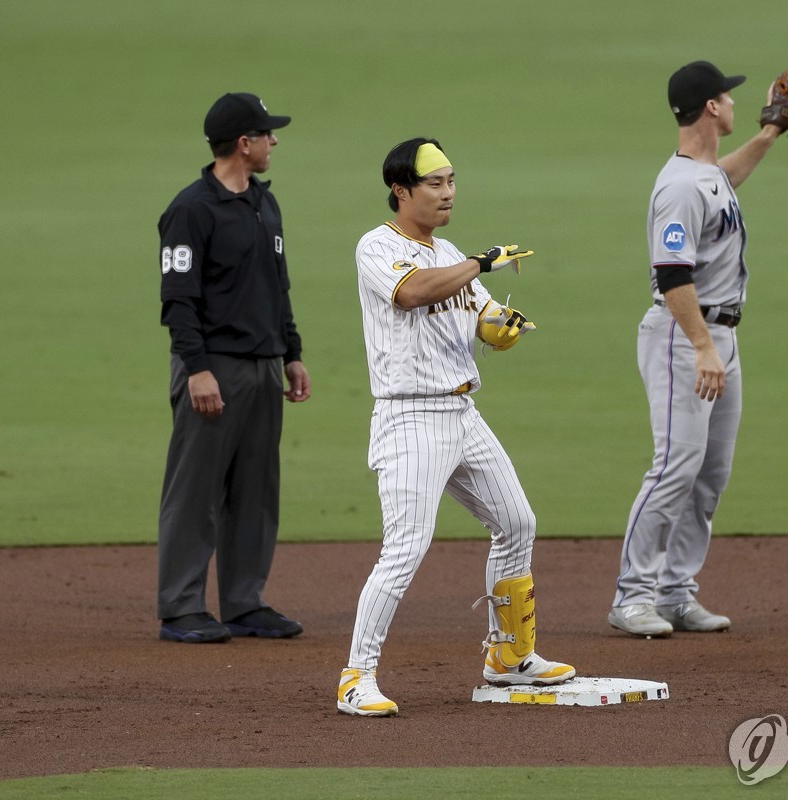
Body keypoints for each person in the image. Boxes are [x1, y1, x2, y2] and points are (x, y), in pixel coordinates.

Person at [337, 137, 575, 716]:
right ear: (401, 191)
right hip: (409, 417)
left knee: (516, 522)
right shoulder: (377, 247)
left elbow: (482, 314)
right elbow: (414, 292)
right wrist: (478, 264)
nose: (448, 193)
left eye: (451, 181)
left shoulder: (449, 251)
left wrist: (504, 325)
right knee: (406, 547)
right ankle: (356, 677)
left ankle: (508, 657)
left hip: (462, 413)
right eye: (435, 183)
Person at [609, 61, 788, 637]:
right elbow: (672, 277)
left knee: (709, 473)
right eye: (727, 95)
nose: (734, 101)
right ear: (711, 108)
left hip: (717, 336)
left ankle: (674, 593)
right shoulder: (678, 188)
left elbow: (723, 183)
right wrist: (702, 347)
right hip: (684, 334)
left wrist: (768, 134)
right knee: (675, 467)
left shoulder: (705, 174)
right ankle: (632, 596)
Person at [155, 92, 311, 643]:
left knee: (255, 489)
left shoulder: (266, 205)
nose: (274, 141)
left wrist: (291, 352)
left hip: (265, 365)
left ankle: (244, 602)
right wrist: (196, 368)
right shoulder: (191, 210)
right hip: (213, 366)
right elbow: (178, 299)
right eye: (267, 134)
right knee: (195, 489)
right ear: (243, 144)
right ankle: (180, 607)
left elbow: (279, 286)